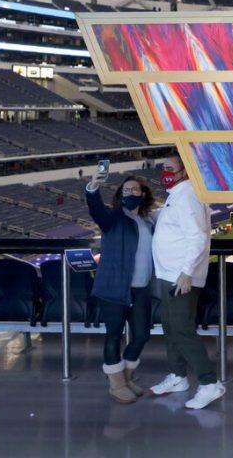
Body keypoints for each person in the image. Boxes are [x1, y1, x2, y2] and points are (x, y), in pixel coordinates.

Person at [147, 153, 224, 409]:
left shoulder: (188, 193)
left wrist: (187, 271)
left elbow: (198, 237)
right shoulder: (177, 194)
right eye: (163, 167)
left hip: (181, 277)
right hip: (170, 274)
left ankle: (209, 382)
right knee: (169, 325)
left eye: (169, 168)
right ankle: (178, 376)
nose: (164, 172)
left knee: (181, 328)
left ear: (185, 171)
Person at [86, 173, 156, 404]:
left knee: (142, 335)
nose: (130, 193)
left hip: (141, 288)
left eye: (134, 189)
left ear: (143, 194)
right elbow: (97, 211)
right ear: (120, 196)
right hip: (115, 287)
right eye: (125, 191)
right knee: (114, 335)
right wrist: (94, 187)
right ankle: (116, 385)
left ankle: (126, 378)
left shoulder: (148, 221)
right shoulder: (113, 218)